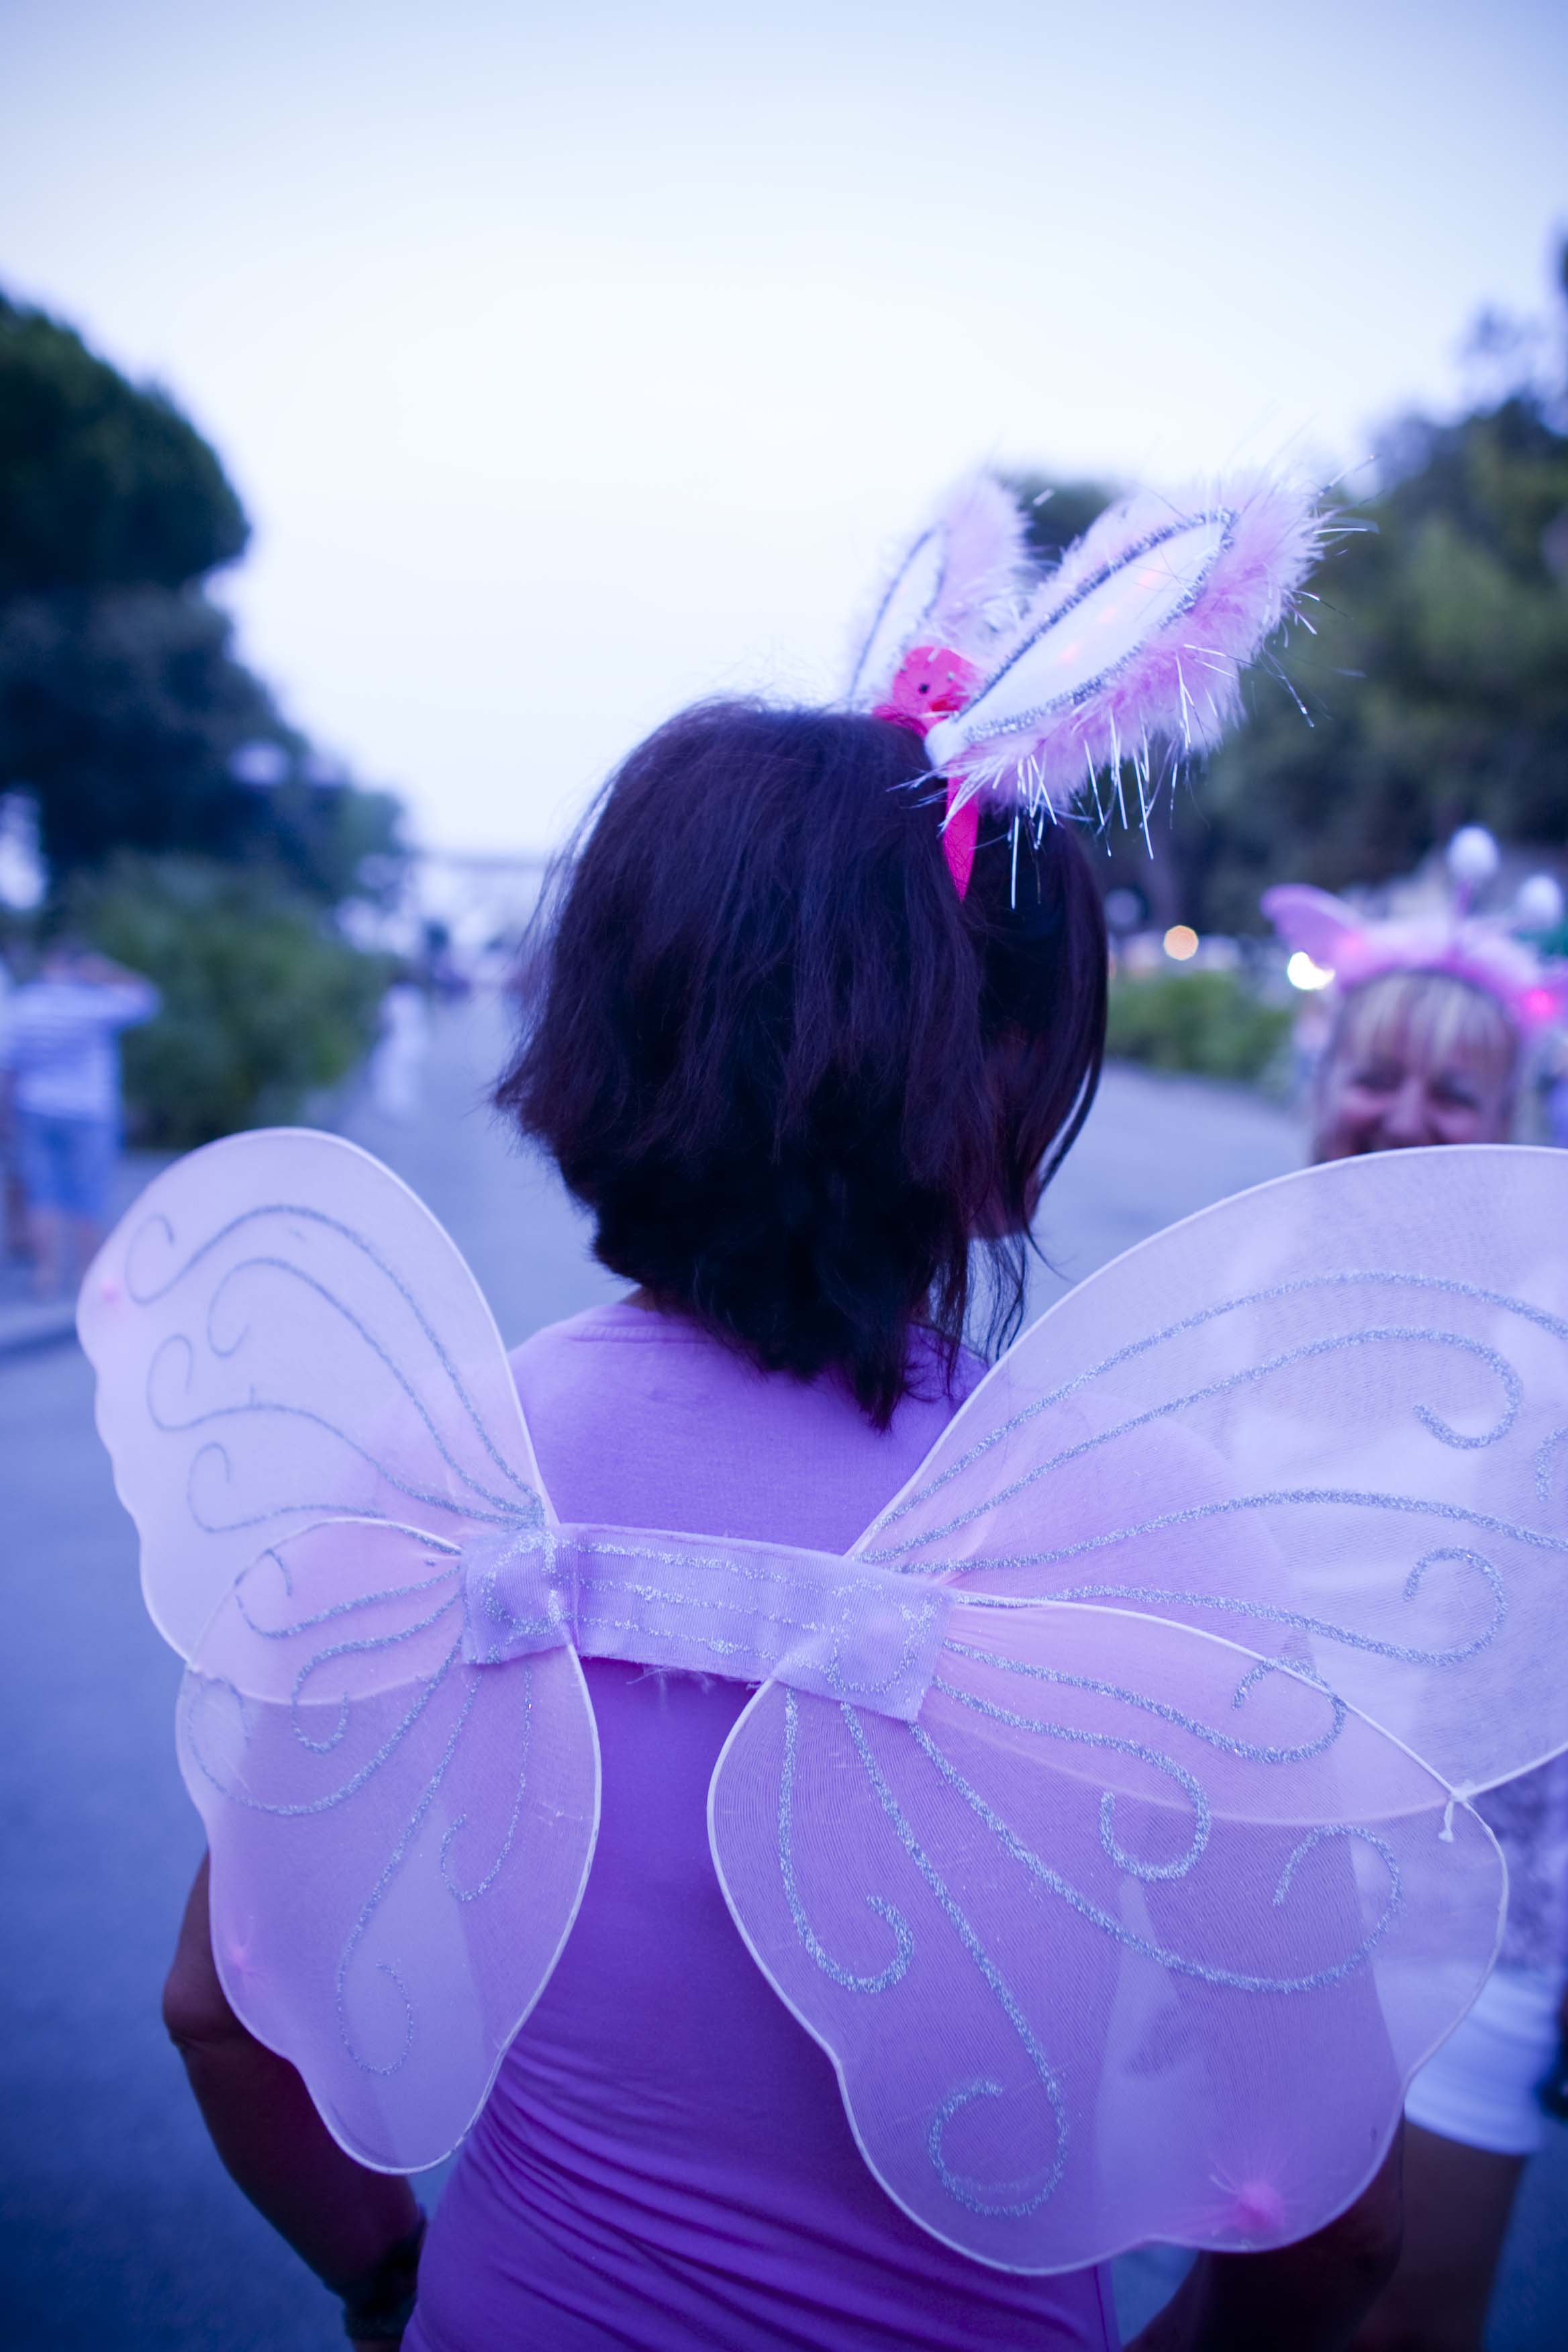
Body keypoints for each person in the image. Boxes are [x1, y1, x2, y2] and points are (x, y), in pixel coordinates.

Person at [151, 699, 1415, 2352]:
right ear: (997, 1071)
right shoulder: (1154, 1537)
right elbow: (1326, 2211)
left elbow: (222, 2009)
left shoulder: (438, 1470)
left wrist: (390, 2275)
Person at [1266, 882, 1568, 2352]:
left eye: (1453, 1093)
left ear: (1513, 1120)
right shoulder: (1238, 1283)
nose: (1401, 1117)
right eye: (1373, 1075)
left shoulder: (1555, 1328)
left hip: (1476, 1916)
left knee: (1402, 2320)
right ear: (1321, 1086)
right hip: (1256, 1894)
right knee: (1249, 2288)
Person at [0, 939, 158, 1296]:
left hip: (35, 1107)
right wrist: (105, 971)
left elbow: (7, 1064)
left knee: (42, 1193)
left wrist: (4, 1114)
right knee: (89, 1194)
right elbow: (147, 998)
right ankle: (89, 1273)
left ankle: (47, 1273)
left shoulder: (24, 1005)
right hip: (90, 1112)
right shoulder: (94, 1004)